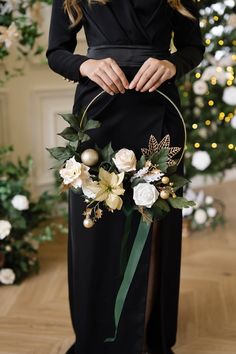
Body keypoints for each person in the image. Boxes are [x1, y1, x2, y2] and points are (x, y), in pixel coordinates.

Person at [46, 1, 205, 353]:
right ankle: (96, 340)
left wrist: (171, 63)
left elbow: (194, 46)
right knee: (95, 232)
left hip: (159, 112)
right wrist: (85, 65)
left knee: (153, 230)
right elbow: (56, 51)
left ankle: (145, 341)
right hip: (97, 113)